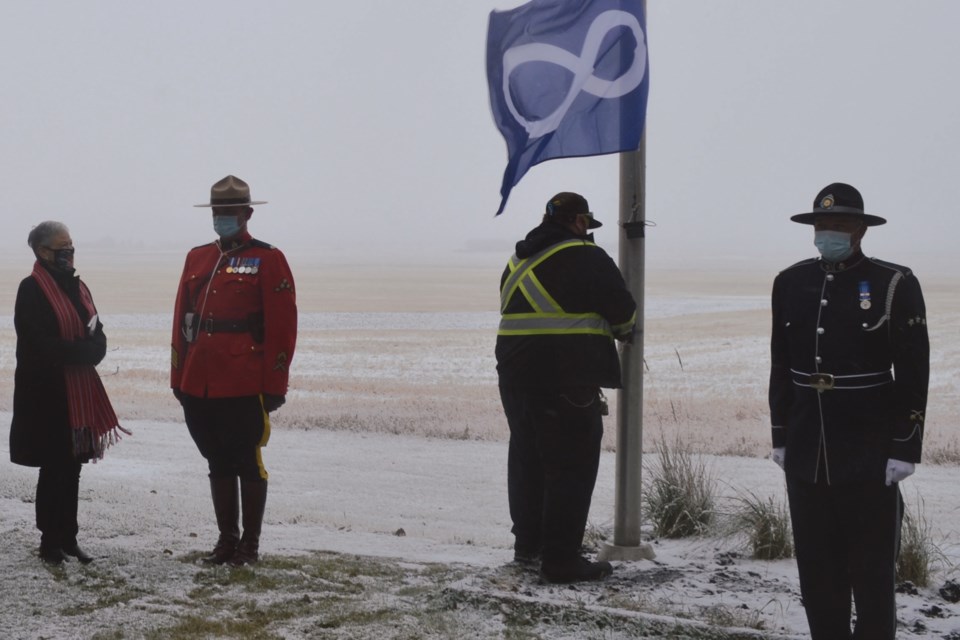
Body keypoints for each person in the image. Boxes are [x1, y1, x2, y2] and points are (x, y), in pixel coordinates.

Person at [769, 183, 929, 639]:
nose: (827, 233)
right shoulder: (790, 281)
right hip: (804, 446)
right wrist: (780, 435)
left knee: (872, 567)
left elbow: (914, 371)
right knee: (816, 567)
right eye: (821, 225)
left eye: (838, 224)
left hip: (870, 449)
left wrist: (905, 446)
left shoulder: (893, 282)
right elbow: (781, 362)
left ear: (860, 229)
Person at [496, 192, 636, 584]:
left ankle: (529, 547)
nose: (587, 233)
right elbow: (624, 315)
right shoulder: (588, 257)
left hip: (515, 379)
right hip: (567, 378)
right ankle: (560, 559)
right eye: (587, 226)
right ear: (579, 222)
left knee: (528, 461)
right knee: (570, 467)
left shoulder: (517, 259)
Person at [171, 175, 297, 566]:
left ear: (246, 213)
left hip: (243, 381)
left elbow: (282, 327)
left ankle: (250, 546)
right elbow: (181, 320)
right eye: (217, 212)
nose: (222, 218)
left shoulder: (267, 258)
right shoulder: (197, 258)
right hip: (199, 380)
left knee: (246, 461)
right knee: (216, 460)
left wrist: (275, 384)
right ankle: (226, 540)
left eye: (229, 212)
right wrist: (179, 378)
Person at [10, 221, 127, 565]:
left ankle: (69, 538)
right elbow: (40, 343)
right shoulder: (30, 289)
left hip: (79, 392)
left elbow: (96, 330)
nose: (69, 253)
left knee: (73, 466)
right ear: (43, 252)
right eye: (62, 248)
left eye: (71, 246)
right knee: (53, 467)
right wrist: (82, 352)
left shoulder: (79, 288)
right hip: (46, 395)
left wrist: (95, 349)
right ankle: (50, 542)